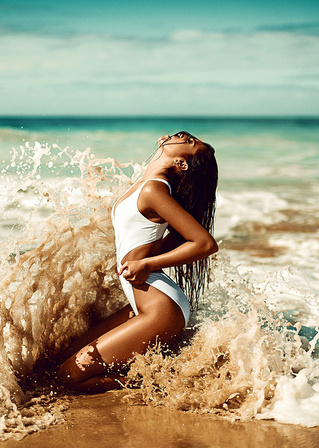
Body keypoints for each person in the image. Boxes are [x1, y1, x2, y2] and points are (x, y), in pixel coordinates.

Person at [57, 131, 218, 392]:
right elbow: (175, 235)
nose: (185, 136)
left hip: (160, 308)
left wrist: (148, 264)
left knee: (68, 377)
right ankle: (160, 375)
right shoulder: (148, 183)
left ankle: (163, 385)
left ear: (182, 163)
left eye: (191, 142)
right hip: (142, 303)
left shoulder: (155, 189)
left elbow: (205, 244)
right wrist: (147, 258)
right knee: (63, 358)